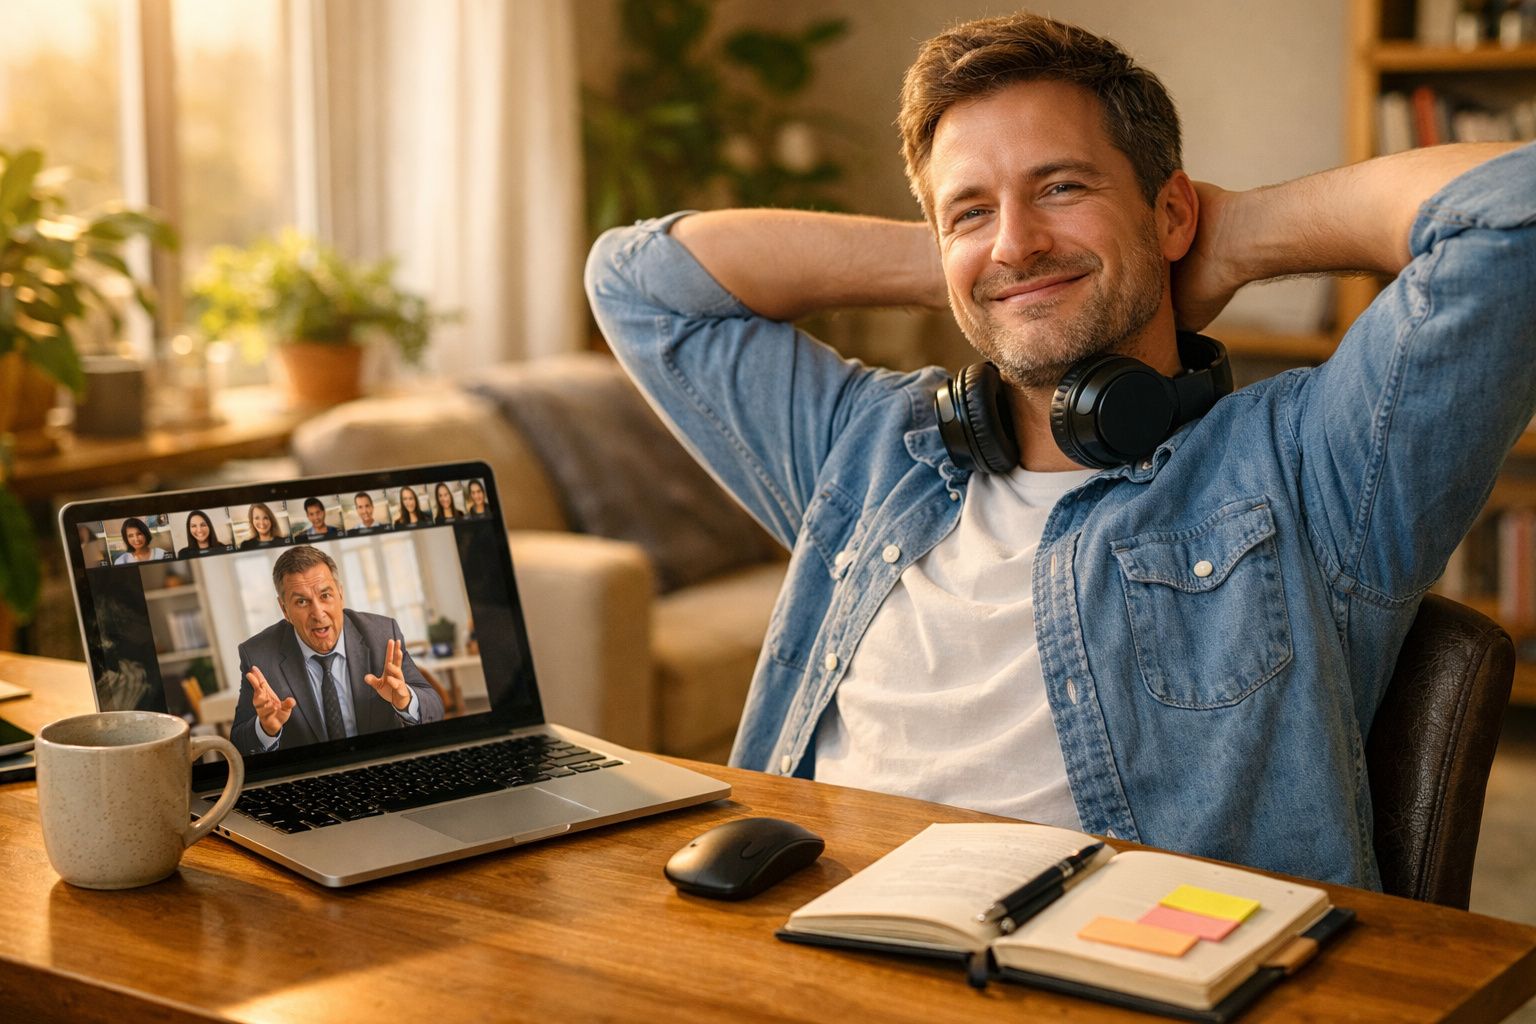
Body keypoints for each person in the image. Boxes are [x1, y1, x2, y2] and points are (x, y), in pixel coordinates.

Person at [585, 11, 1536, 889]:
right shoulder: (870, 445)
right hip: (808, 948)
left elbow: (1516, 213)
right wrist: (973, 267)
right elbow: (638, 283)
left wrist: (1232, 237)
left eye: (1063, 187)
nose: (1019, 241)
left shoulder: (1307, 464)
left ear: (1169, 214)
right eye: (971, 210)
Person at [230, 545, 445, 755]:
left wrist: (405, 700)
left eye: (325, 596)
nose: (318, 613)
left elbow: (435, 709)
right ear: (284, 609)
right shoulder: (258, 656)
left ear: (340, 594)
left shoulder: (382, 635)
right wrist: (265, 729)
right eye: (302, 601)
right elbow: (239, 745)